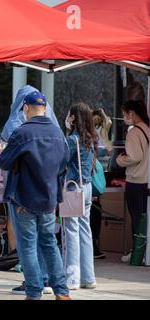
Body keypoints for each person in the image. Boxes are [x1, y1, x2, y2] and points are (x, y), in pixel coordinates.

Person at [0, 91, 71, 300]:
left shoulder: (21, 133)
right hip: (49, 198)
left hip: (24, 198)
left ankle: (34, 292)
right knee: (49, 244)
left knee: (28, 245)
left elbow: (4, 162)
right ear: (45, 109)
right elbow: (64, 162)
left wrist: (0, 153)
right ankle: (62, 292)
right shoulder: (58, 133)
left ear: (25, 108)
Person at [63, 102, 98, 290]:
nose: (67, 118)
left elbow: (61, 161)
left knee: (71, 232)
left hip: (73, 188)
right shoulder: (91, 139)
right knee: (85, 231)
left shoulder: (72, 140)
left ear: (74, 118)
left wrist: (65, 129)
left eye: (69, 115)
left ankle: (72, 279)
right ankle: (88, 277)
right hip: (87, 188)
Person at [116, 100, 149, 263]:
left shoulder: (134, 132)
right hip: (147, 180)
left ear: (132, 113)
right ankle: (144, 252)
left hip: (135, 180)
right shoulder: (147, 129)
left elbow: (135, 157)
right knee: (145, 218)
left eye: (124, 114)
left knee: (136, 218)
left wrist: (120, 160)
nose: (124, 117)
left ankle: (138, 253)